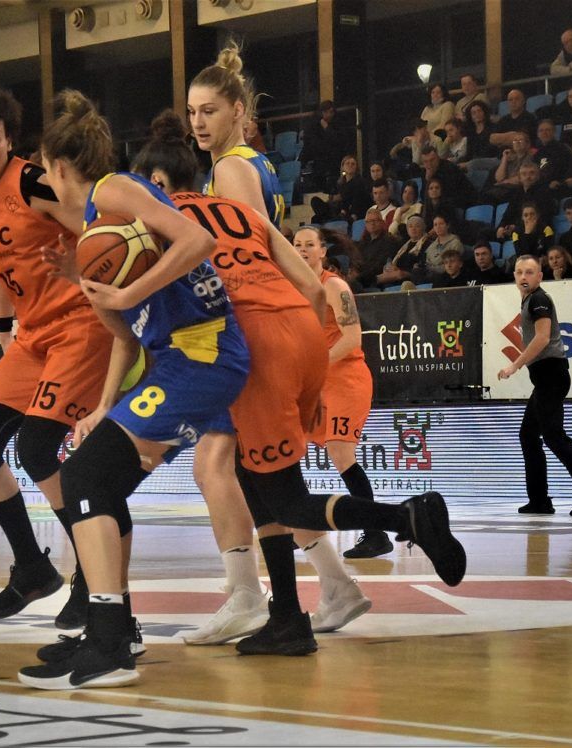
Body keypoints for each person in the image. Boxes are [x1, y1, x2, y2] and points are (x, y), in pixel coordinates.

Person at [81, 110, 467, 662]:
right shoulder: (240, 211)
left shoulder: (158, 223)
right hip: (303, 330)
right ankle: (288, 616)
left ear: (156, 184)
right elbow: (312, 289)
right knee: (253, 477)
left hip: (254, 343)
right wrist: (305, 372)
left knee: (284, 496)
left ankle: (406, 518)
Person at [16, 91, 252, 690]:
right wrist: (102, 404)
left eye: (43, 168)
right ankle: (115, 630)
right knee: (99, 477)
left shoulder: (115, 191)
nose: (44, 178)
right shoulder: (96, 231)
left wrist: (124, 291)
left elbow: (198, 241)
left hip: (203, 355)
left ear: (59, 167)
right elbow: (126, 335)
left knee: (86, 478)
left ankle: (109, 640)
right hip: (174, 361)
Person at [186, 42, 367, 643]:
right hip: (274, 324)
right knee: (259, 475)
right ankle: (329, 585)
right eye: (192, 112)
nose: (198, 123)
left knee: (229, 469)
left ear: (239, 110)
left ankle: (252, 594)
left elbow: (243, 259)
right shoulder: (253, 163)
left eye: (210, 110)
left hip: (255, 327)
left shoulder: (230, 169)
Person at [0, 83, 114, 630]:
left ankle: (92, 576)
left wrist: (85, 267)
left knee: (37, 447)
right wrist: (3, 332)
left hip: (82, 324)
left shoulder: (32, 181)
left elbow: (99, 228)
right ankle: (33, 569)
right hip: (32, 334)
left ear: (9, 140)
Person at [295, 225, 393, 560]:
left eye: (309, 244)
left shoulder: (334, 286)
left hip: (345, 376)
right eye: (297, 244)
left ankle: (376, 534)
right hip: (316, 381)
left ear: (323, 251)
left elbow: (352, 338)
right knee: (289, 448)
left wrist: (315, 366)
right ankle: (299, 526)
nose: (302, 249)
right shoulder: (293, 287)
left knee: (340, 452)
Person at [498, 255, 572, 516]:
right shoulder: (528, 300)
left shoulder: (539, 299)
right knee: (528, 435)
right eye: (519, 272)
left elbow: (542, 338)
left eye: (529, 272)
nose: (524, 277)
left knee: (553, 436)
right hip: (544, 378)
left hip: (552, 376)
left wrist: (515, 365)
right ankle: (539, 500)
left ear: (539, 276)